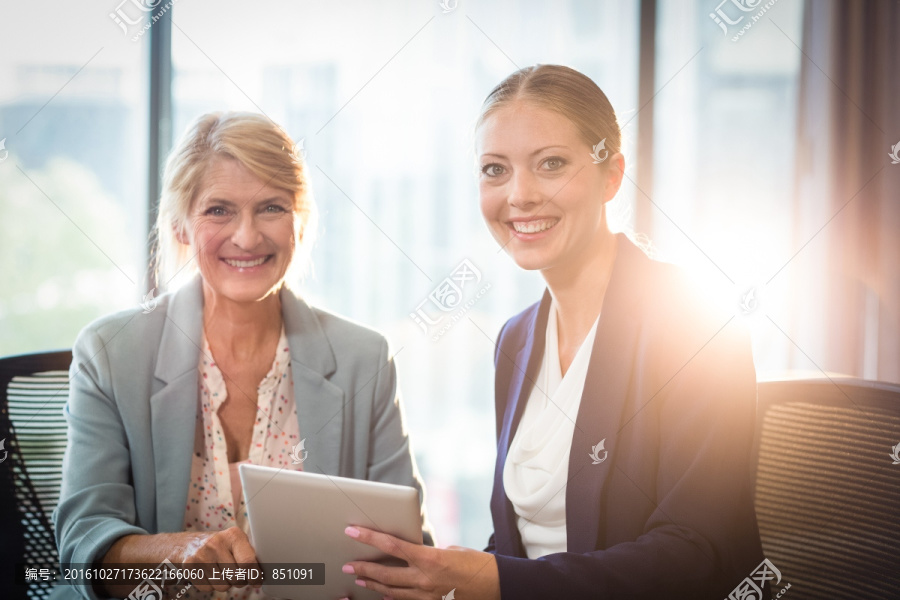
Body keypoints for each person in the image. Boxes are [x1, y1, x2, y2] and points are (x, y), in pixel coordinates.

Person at [342, 65, 765, 599]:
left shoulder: (695, 322)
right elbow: (518, 550)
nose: (519, 195)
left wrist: (495, 579)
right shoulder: (516, 340)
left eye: (551, 164)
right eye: (495, 170)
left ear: (611, 174)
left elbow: (698, 554)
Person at [52, 112, 433, 600]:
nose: (248, 237)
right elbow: (84, 541)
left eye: (271, 208)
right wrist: (175, 553)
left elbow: (410, 554)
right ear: (182, 226)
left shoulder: (365, 359)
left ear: (300, 221)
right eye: (219, 210)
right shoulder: (110, 353)